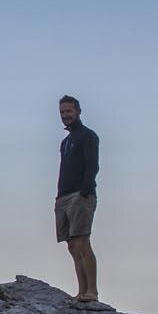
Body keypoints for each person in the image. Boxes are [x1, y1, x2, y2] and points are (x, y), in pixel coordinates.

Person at [55, 95, 100, 301]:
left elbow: (92, 166)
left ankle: (92, 291)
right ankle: (81, 291)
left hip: (80, 196)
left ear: (78, 112)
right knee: (72, 245)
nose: (65, 115)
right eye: (63, 112)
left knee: (82, 241)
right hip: (63, 197)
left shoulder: (88, 136)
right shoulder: (66, 141)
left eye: (69, 111)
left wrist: (84, 191)